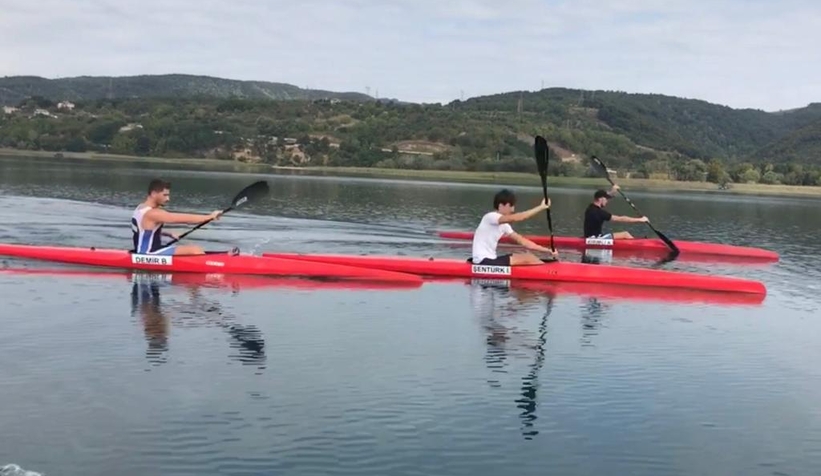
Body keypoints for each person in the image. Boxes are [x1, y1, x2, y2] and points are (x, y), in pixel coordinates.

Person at [131, 179, 223, 255]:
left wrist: (167, 233)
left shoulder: (140, 208)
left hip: (142, 252)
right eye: (165, 195)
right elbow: (182, 218)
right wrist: (209, 217)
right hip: (149, 254)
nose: (168, 199)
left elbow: (143, 231)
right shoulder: (153, 213)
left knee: (191, 248)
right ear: (154, 193)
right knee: (195, 250)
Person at [471, 189, 559, 266]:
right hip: (482, 261)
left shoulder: (505, 226)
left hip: (491, 260)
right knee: (528, 258)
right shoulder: (490, 217)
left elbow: (523, 242)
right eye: (511, 206)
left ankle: (546, 269)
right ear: (501, 205)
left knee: (527, 255)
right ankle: (549, 272)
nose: (513, 210)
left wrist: (548, 250)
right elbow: (520, 217)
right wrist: (541, 207)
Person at [583, 185, 649, 240]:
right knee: (625, 234)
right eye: (606, 199)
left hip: (590, 237)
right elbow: (621, 219)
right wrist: (640, 219)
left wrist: (613, 191)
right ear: (601, 199)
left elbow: (605, 196)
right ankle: (638, 245)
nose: (607, 201)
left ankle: (634, 242)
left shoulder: (590, 208)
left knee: (621, 236)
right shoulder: (600, 213)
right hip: (596, 239)